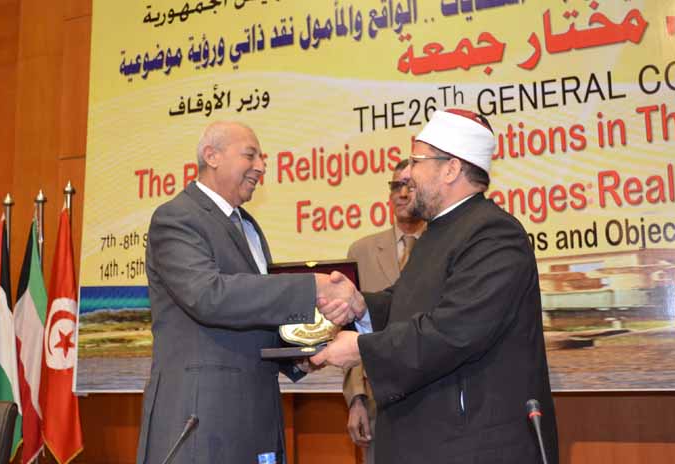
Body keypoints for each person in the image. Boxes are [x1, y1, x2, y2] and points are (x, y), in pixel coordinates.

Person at [314, 109, 559, 463]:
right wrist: (360, 306)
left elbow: (454, 330)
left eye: (417, 161)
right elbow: (406, 304)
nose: (408, 174)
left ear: (451, 169)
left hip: (473, 448)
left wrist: (362, 349)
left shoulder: (493, 233)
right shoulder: (439, 232)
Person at [136, 121, 358, 464]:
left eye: (263, 158)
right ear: (212, 156)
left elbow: (253, 311)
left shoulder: (249, 226)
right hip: (201, 420)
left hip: (256, 415)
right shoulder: (176, 218)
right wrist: (311, 286)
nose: (261, 167)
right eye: (250, 155)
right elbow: (209, 296)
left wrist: (300, 353)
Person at [342, 159, 425, 462]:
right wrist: (356, 398)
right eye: (396, 186)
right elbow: (351, 328)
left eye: (410, 186)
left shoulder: (444, 247)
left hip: (433, 395)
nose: (402, 193)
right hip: (378, 402)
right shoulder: (361, 252)